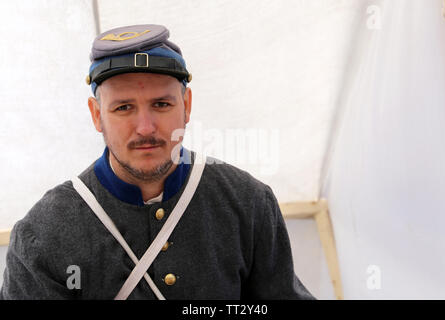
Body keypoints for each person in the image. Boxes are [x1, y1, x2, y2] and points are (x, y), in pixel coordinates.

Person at [0, 24, 314, 300]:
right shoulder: (42, 235)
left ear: (186, 106)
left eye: (161, 104)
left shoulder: (248, 204)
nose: (146, 128)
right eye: (123, 108)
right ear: (97, 115)